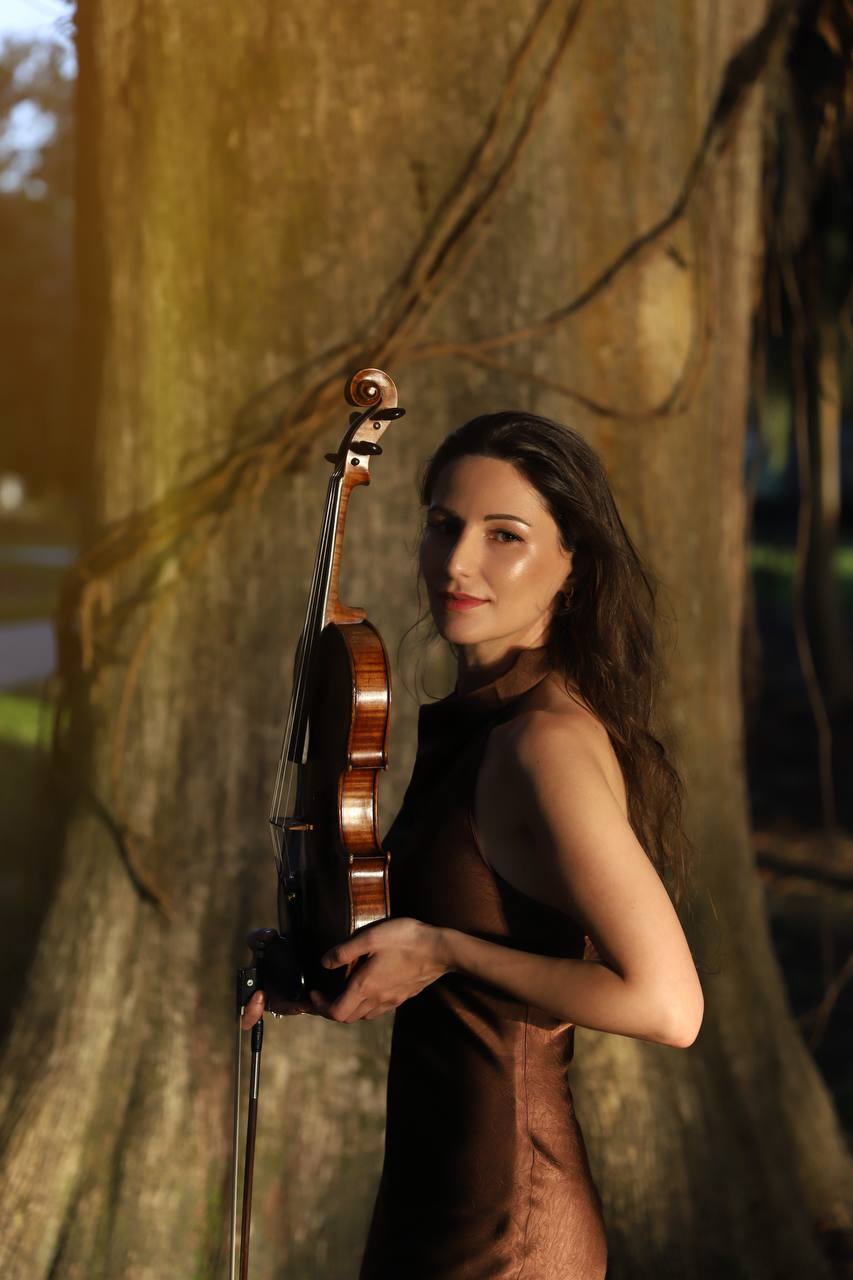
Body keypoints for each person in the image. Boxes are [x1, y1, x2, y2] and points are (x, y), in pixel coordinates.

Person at [242, 410, 705, 1279]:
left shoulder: (544, 745)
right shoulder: (474, 726)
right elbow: (454, 962)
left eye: (505, 536)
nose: (457, 563)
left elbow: (668, 1007)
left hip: (508, 1226)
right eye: (444, 525)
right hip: (432, 1194)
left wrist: (443, 947)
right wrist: (330, 965)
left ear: (572, 568)